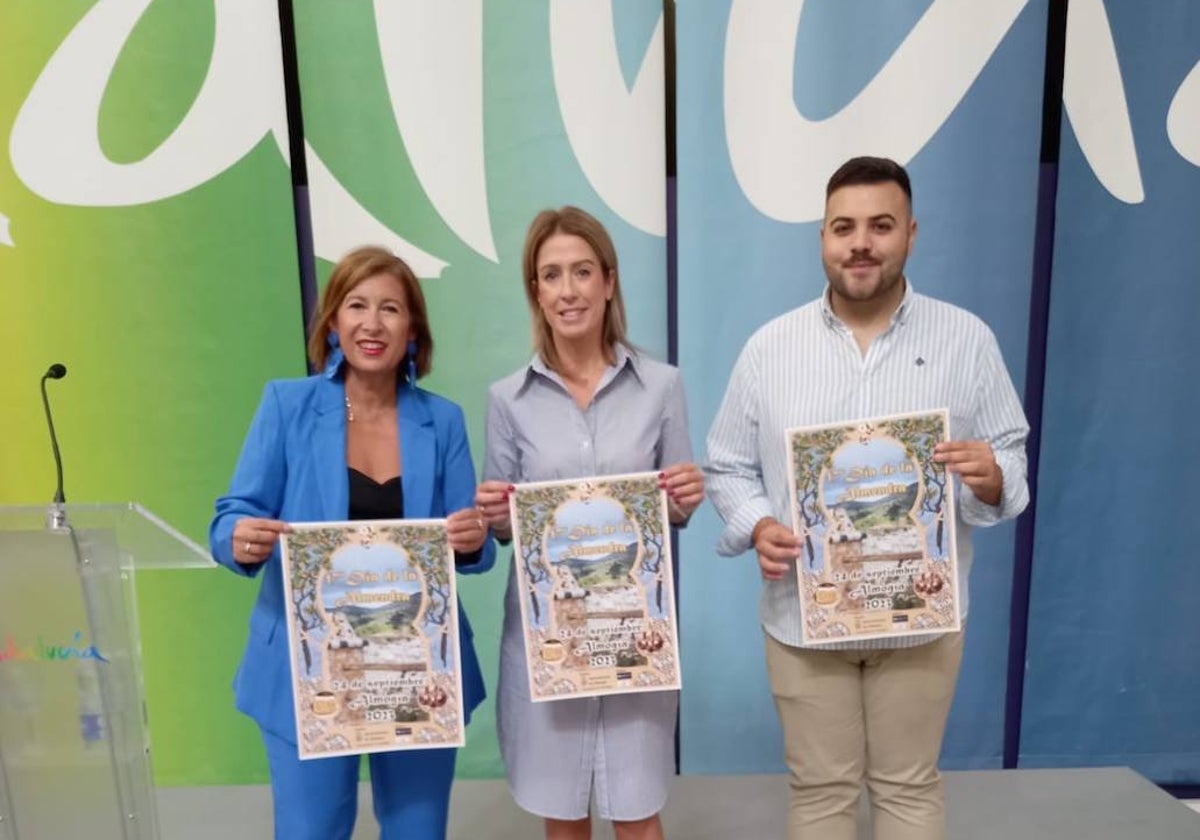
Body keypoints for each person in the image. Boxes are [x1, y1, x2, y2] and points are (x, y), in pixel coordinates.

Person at [704, 157, 1029, 840]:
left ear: (911, 233)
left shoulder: (966, 341)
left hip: (921, 618)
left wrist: (992, 477)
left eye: (880, 226)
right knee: (820, 795)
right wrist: (757, 523)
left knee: (908, 791)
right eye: (843, 227)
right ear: (821, 238)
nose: (861, 243)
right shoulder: (770, 349)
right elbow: (728, 465)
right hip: (804, 618)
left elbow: (1012, 457)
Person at [209, 246, 494, 840]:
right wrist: (239, 537)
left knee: (418, 831)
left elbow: (475, 546)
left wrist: (470, 538)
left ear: (412, 328)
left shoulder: (442, 421)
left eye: (390, 308)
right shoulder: (286, 406)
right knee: (312, 831)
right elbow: (231, 516)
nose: (373, 323)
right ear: (333, 322)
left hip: (418, 666)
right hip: (304, 667)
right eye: (357, 305)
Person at [475, 206, 704, 840]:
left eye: (581, 272)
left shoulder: (661, 387)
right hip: (550, 640)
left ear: (608, 281)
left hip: (636, 638)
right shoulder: (506, 399)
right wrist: (495, 515)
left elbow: (676, 506)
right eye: (551, 275)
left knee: (637, 813)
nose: (568, 290)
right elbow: (503, 528)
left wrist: (687, 492)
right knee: (565, 813)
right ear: (536, 292)